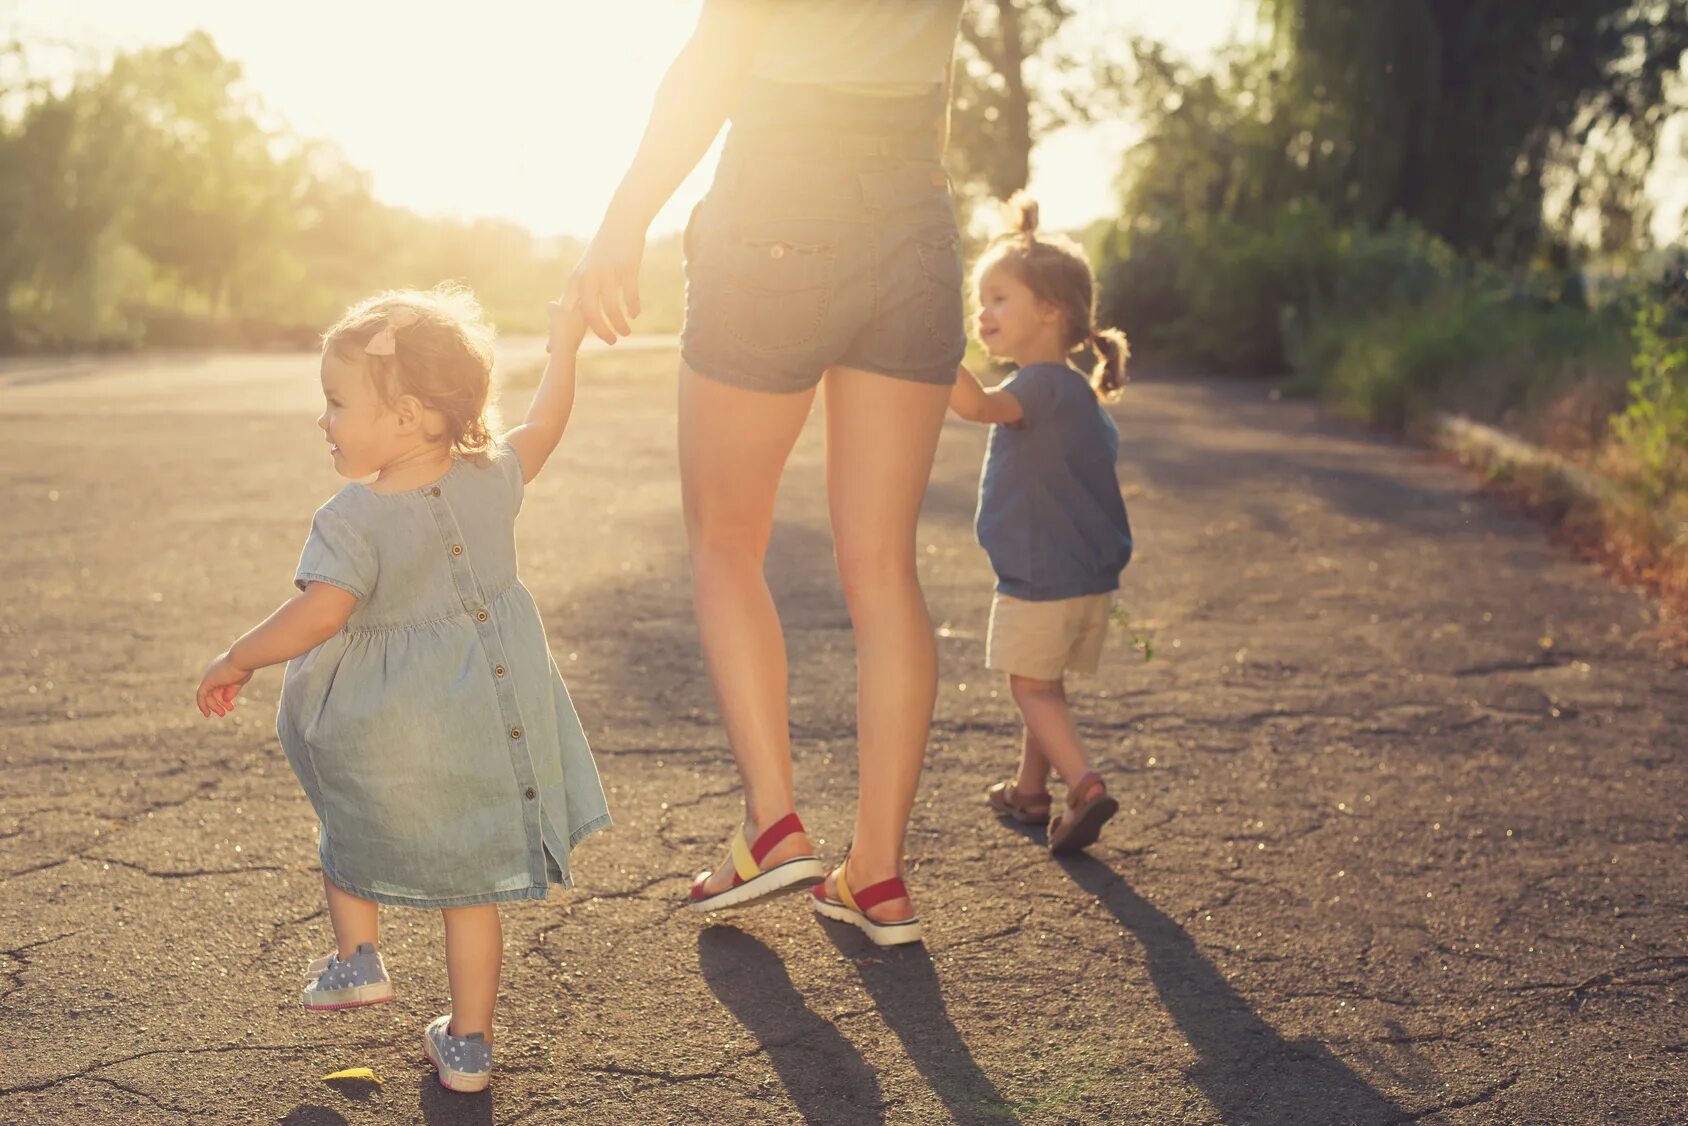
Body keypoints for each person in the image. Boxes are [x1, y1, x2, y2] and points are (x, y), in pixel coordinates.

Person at [566, 0, 966, 946]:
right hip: (917, 210)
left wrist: (624, 220)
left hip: (780, 196)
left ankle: (773, 822)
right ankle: (876, 873)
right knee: (883, 569)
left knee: (725, 538)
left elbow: (716, 55)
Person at [195, 288, 608, 1092]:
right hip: (486, 727)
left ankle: (358, 958)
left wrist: (241, 656)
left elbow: (321, 614)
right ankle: (469, 1048)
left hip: (386, 730)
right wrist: (565, 347)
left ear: (411, 415)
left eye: (338, 402)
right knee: (472, 894)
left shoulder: (352, 516)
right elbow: (546, 425)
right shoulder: (491, 479)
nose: (325, 420)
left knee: (346, 819)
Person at [948, 194, 1133, 854]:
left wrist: (932, 348)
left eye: (999, 298)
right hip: (1087, 580)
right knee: (1041, 681)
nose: (983, 312)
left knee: (1028, 685)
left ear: (1049, 312)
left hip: (1042, 579)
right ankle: (1031, 791)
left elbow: (976, 406)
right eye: (980, 300)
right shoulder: (1076, 392)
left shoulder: (1039, 386)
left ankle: (1083, 786)